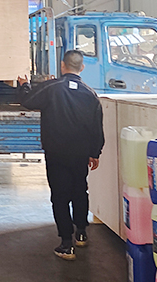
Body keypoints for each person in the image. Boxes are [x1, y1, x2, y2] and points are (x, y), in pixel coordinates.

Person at [17, 50, 104, 261]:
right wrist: (95, 152)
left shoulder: (52, 87)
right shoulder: (90, 94)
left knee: (60, 195)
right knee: (80, 191)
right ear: (82, 68)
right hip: (80, 154)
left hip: (56, 153)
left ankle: (66, 243)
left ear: (63, 66)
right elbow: (97, 127)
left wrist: (24, 84)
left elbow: (28, 100)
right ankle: (81, 233)